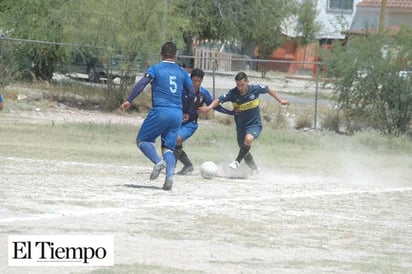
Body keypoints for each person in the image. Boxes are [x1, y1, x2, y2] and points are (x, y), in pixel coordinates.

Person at [120, 41, 195, 191]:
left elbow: (142, 83)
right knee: (168, 147)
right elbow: (192, 92)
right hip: (176, 113)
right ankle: (169, 177)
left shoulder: (155, 68)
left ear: (161, 54)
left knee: (142, 140)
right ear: (175, 55)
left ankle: (158, 162)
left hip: (161, 110)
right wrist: (187, 110)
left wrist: (129, 100)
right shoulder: (182, 72)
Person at [198, 71, 290, 174]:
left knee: (249, 139)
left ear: (247, 82)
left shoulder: (254, 89)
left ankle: (237, 161)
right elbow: (219, 99)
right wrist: (209, 107)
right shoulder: (233, 93)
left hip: (254, 124)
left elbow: (268, 89)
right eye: (238, 85)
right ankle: (255, 170)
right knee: (245, 151)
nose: (240, 88)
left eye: (242, 85)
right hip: (241, 127)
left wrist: (280, 100)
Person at [174, 68, 233, 175]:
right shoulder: (182, 90)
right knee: (171, 142)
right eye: (194, 81)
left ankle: (175, 166)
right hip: (176, 122)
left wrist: (231, 112)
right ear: (190, 79)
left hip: (191, 124)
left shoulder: (203, 93)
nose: (196, 83)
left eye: (198, 81)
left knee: (176, 139)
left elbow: (214, 106)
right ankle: (187, 165)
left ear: (201, 81)